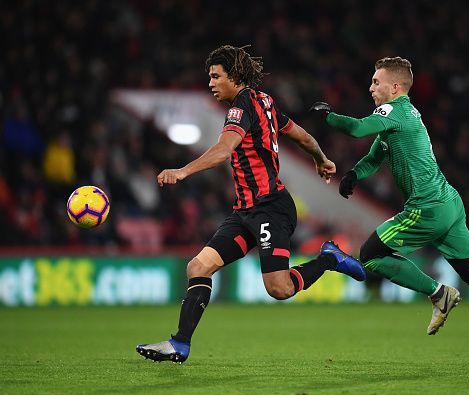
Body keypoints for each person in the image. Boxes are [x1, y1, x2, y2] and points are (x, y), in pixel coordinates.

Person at [136, 45, 366, 363]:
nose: (211, 83)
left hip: (271, 207)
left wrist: (183, 170)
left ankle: (329, 259)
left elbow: (224, 149)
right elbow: (301, 136)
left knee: (280, 289)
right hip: (245, 211)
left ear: (235, 77)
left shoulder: (241, 106)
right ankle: (180, 344)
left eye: (217, 76)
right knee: (198, 267)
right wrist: (322, 159)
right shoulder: (266, 102)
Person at [310, 56, 469, 369]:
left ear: (394, 87)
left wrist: (329, 116)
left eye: (376, 82)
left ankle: (438, 293)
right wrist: (354, 175)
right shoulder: (403, 116)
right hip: (448, 202)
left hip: (426, 208)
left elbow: (357, 128)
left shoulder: (393, 110)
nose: (370, 87)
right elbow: (375, 154)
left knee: (371, 254)